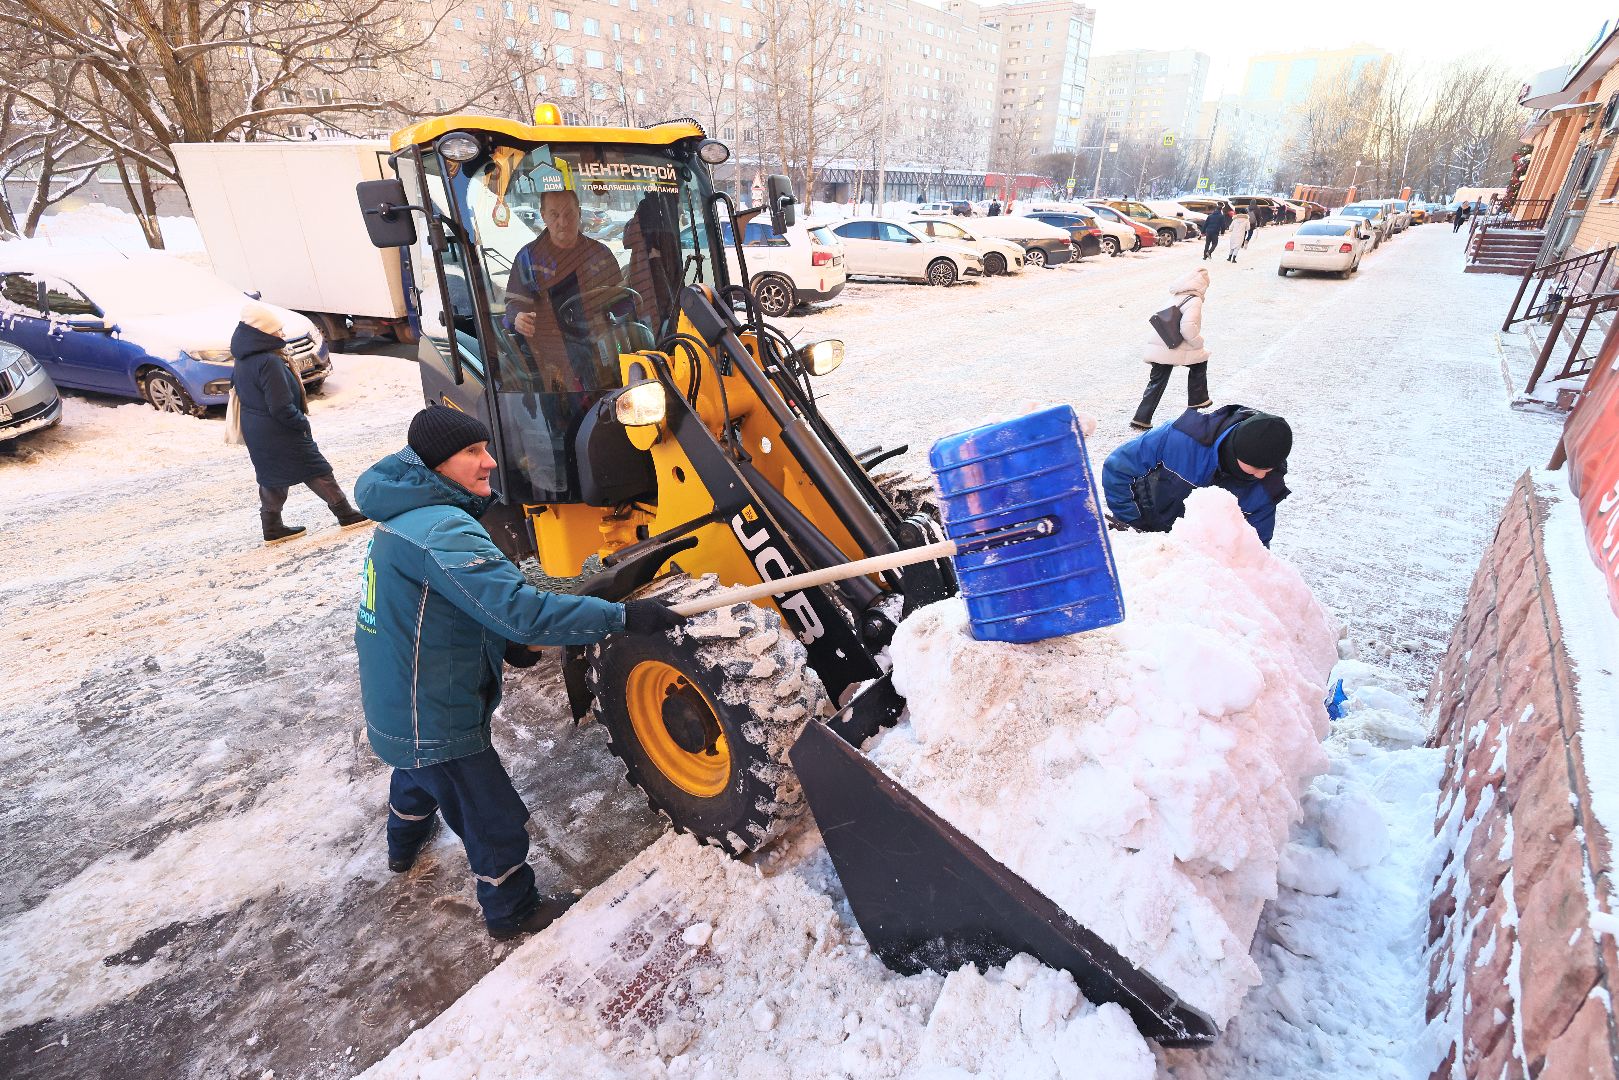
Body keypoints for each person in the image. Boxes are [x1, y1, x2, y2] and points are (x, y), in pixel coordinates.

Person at [354, 405, 687, 939]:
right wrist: (623, 616)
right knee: (491, 818)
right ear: (438, 462)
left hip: (399, 696)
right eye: (472, 453)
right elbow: (522, 608)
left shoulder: (405, 514)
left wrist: (503, 641)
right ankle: (513, 908)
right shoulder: (442, 528)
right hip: (433, 709)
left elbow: (447, 602)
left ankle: (401, 843)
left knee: (415, 771)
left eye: (486, 448)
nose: (489, 462)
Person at [230, 302, 366, 544]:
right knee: (317, 469)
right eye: (277, 331)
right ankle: (345, 513)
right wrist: (300, 422)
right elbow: (280, 405)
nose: (281, 334)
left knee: (272, 477)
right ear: (262, 333)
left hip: (257, 430)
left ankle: (272, 527)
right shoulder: (268, 362)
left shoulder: (244, 359)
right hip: (279, 430)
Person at [1102, 405, 1293, 547]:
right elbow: (1118, 469)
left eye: (1268, 469)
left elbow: (1255, 550)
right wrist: (1132, 523)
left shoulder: (1267, 487)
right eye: (1255, 467)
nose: (1261, 476)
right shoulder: (1180, 437)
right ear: (1235, 451)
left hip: (1196, 565)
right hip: (1143, 532)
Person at [503, 187, 626, 393]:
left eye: (569, 213)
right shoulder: (527, 259)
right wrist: (518, 317)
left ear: (578, 212)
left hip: (600, 342)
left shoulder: (600, 254)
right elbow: (513, 305)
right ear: (543, 215)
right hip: (550, 349)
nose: (563, 221)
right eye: (554, 215)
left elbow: (622, 301)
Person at [1131, 266, 1212, 431]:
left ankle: (1141, 418)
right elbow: (1188, 328)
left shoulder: (1177, 296)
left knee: (1157, 380)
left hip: (1161, 343)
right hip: (1172, 346)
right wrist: (1199, 342)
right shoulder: (1194, 300)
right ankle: (1197, 401)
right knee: (1200, 361)